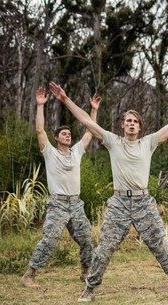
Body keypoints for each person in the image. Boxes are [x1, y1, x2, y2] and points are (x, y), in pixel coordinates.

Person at [48, 81, 168, 302]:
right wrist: (65, 99)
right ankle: (90, 288)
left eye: (135, 122)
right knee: (104, 247)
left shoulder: (148, 142)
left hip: (143, 202)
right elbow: (85, 120)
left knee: (161, 245)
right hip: (119, 203)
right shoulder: (113, 141)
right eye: (128, 121)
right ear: (123, 126)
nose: (131, 124)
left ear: (140, 127)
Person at [20, 86, 100, 288]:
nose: (68, 135)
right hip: (58, 204)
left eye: (69, 133)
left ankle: (85, 272)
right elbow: (39, 130)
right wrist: (40, 106)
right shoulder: (50, 152)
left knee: (87, 240)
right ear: (56, 138)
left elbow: (90, 130)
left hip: (76, 203)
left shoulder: (76, 152)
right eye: (63, 134)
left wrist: (94, 110)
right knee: (50, 239)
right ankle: (29, 275)